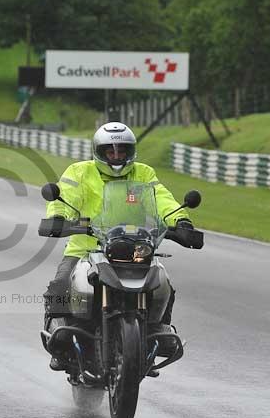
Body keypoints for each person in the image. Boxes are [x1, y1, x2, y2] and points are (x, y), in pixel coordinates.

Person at [43, 122, 193, 370]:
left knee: (164, 284)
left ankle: (157, 331)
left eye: (121, 151)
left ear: (130, 151)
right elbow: (65, 197)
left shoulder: (143, 174)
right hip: (85, 249)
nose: (116, 156)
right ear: (99, 152)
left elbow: (163, 199)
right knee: (60, 285)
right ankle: (59, 344)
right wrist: (58, 217)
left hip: (135, 248)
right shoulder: (80, 171)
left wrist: (181, 220)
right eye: (110, 151)